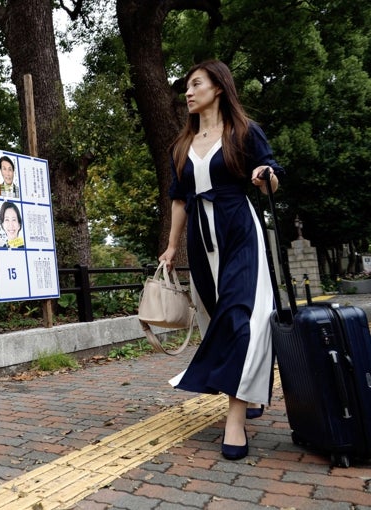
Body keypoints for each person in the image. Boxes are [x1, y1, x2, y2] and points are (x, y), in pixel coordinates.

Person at [158, 60, 285, 461]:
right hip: (200, 236)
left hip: (238, 229)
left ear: (218, 87)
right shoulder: (181, 145)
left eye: (196, 84)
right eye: (187, 87)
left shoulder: (244, 132)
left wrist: (265, 173)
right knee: (216, 317)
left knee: (238, 316)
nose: (188, 93)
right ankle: (244, 390)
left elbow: (273, 174)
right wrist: (172, 246)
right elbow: (179, 199)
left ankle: (235, 419)